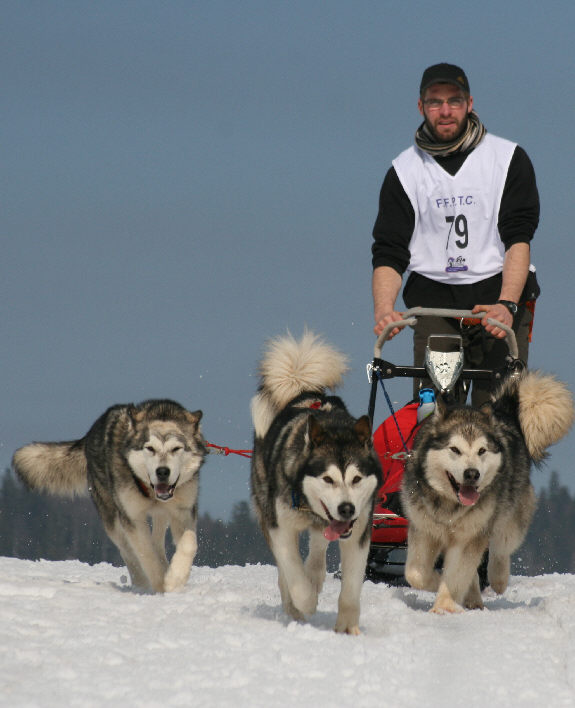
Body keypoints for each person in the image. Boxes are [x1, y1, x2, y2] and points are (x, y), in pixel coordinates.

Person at [371, 63, 540, 406]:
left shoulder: (507, 158)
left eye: (455, 101)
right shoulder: (404, 171)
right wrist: (384, 310)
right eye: (435, 102)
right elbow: (389, 252)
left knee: (496, 422)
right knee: (436, 420)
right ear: (421, 107)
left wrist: (507, 304)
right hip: (436, 305)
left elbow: (518, 239)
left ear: (470, 103)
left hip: (497, 300)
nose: (445, 111)